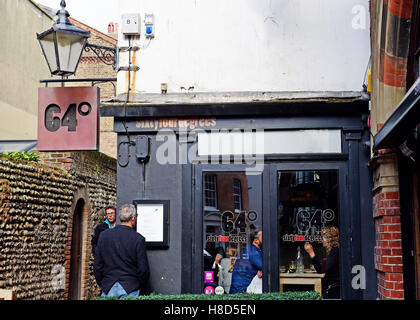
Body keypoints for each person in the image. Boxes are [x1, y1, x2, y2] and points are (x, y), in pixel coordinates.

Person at [94, 204, 150, 298]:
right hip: (130, 286)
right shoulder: (138, 239)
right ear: (133, 219)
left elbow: (97, 265)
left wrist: (103, 283)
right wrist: (137, 284)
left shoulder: (104, 236)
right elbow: (143, 270)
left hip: (109, 285)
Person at [304, 226, 340, 299]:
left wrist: (311, 252)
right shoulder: (335, 250)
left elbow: (321, 270)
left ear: (330, 239)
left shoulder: (335, 251)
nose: (322, 240)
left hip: (331, 290)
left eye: (323, 238)